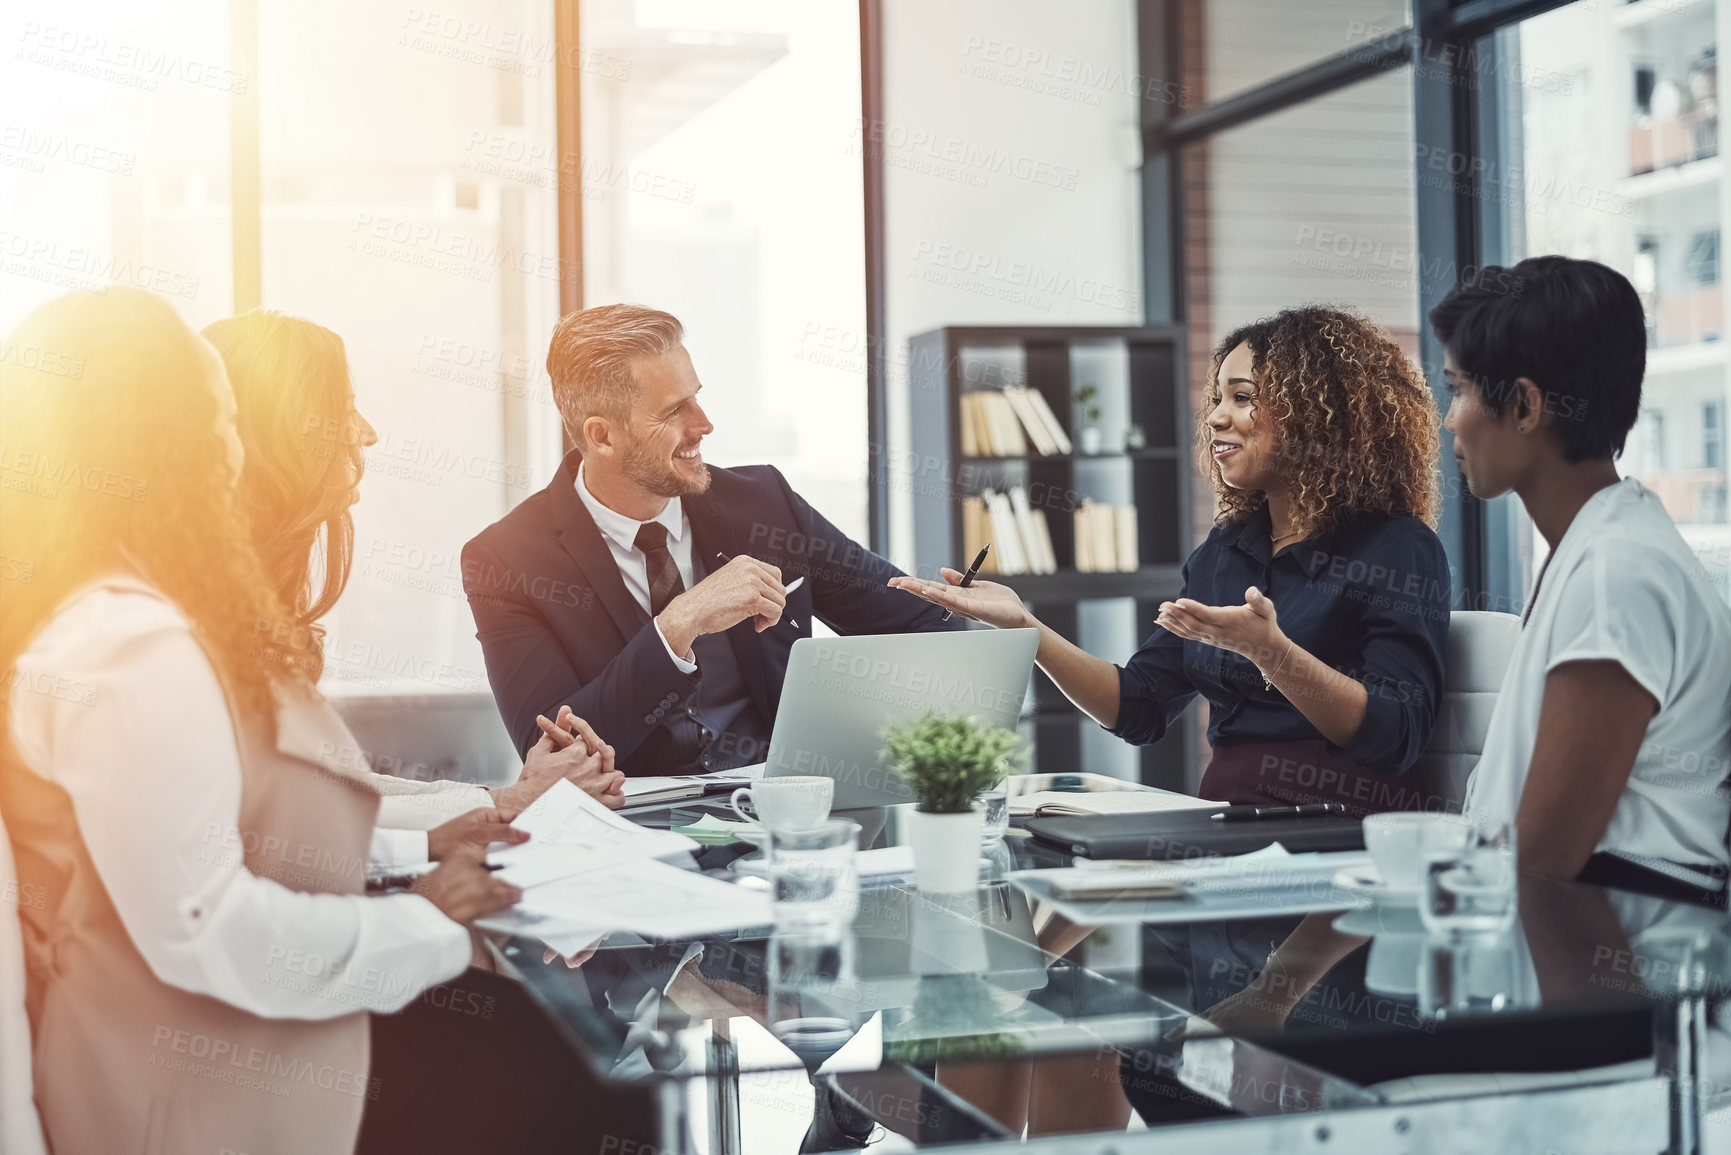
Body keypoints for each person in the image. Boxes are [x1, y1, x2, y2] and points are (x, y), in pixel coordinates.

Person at [0, 288, 519, 1155]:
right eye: (218, 417)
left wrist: (405, 850)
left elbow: (186, 837)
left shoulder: (125, 621)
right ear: (165, 443)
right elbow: (206, 928)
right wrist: (427, 920)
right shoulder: (131, 645)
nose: (235, 446)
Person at [893, 305, 1451, 813]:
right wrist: (1026, 626)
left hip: (1346, 844)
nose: (1214, 418)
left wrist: (1270, 653)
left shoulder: (1396, 548)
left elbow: (1396, 734)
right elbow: (1140, 707)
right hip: (1229, 833)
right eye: (1218, 398)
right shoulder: (1225, 551)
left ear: (1319, 415)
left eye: (1243, 397)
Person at [201, 308, 625, 881]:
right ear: (282, 433)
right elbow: (287, 829)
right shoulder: (189, 631)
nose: (366, 433)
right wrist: (504, 804)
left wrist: (508, 796)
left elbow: (333, 791)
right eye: (342, 409)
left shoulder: (240, 607)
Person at [462, 303, 960, 776]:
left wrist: (838, 740)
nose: (704, 424)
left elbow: (924, 627)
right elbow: (552, 755)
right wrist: (678, 625)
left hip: (781, 821)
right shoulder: (505, 561)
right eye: (674, 410)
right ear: (602, 436)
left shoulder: (767, 504)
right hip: (627, 837)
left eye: (696, 396)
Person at [1438, 256, 1731, 903]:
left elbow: (1543, 859)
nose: (1449, 419)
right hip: (1585, 934)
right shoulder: (1599, 545)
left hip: (1615, 942)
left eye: (1456, 389)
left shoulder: (1615, 573)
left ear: (1522, 406)